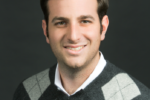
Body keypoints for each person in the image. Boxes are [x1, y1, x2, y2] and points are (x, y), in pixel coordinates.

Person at [13, 0, 150, 100]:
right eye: (61, 22)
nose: (73, 36)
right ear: (46, 30)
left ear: (103, 27)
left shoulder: (136, 97)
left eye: (85, 21)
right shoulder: (27, 92)